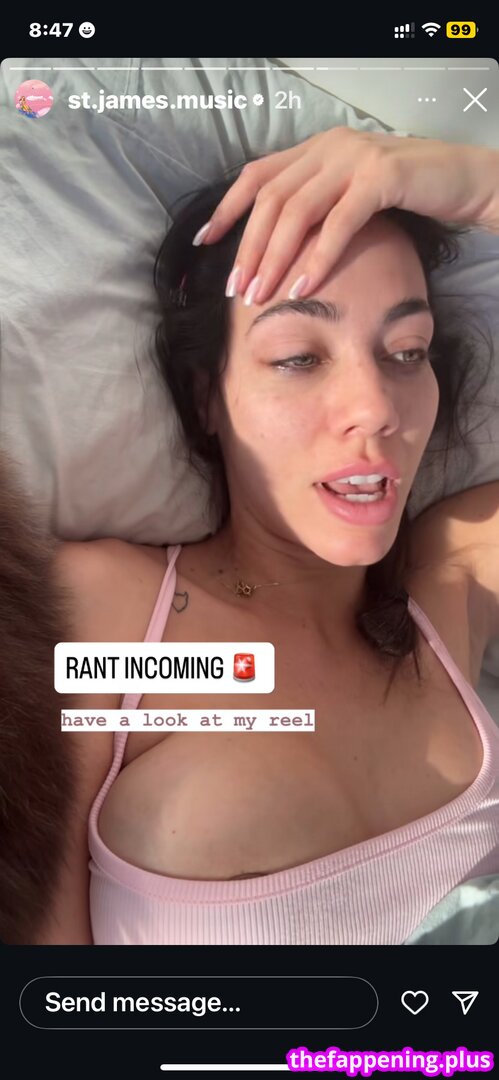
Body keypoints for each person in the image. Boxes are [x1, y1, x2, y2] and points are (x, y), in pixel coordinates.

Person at [50, 128, 499, 945]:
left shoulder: (453, 578)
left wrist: (475, 186)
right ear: (206, 397)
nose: (376, 407)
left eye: (407, 351)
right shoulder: (108, 617)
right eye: (297, 358)